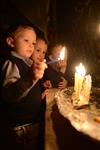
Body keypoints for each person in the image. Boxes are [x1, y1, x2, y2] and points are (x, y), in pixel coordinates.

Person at [0, 23, 47, 150]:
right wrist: (30, 78)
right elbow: (9, 94)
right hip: (20, 128)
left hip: (31, 123)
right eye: (26, 40)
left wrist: (41, 95)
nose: (31, 46)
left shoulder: (28, 64)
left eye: (33, 43)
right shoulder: (12, 63)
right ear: (11, 42)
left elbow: (28, 92)